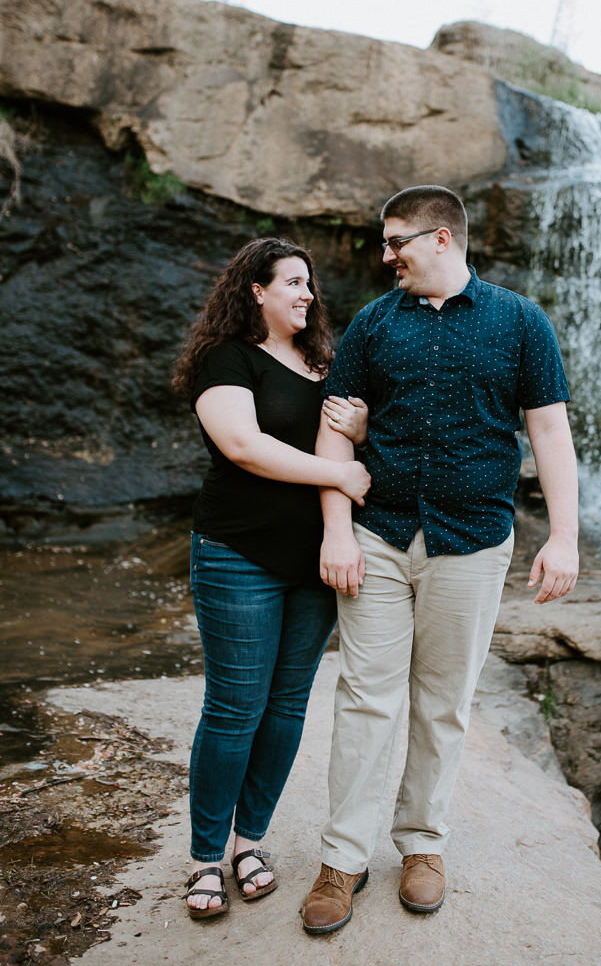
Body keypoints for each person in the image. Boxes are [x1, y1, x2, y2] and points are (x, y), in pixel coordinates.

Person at [302, 186, 579, 935]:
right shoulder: (371, 323)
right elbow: (335, 432)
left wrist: (564, 537)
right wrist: (334, 531)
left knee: (443, 702)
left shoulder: (520, 321)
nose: (385, 254)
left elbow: (548, 433)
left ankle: (422, 845)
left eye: (396, 241)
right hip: (379, 535)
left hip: (474, 539)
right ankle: (343, 859)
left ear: (442, 239)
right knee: (366, 697)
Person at [171, 237, 371, 919]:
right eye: (291, 281)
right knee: (235, 708)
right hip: (239, 553)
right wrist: (339, 472)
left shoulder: (326, 362)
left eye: (308, 283)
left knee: (286, 707)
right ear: (255, 290)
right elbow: (242, 446)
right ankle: (203, 857)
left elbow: (351, 438)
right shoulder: (225, 359)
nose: (306, 293)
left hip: (315, 563)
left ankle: (248, 842)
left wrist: (362, 430)